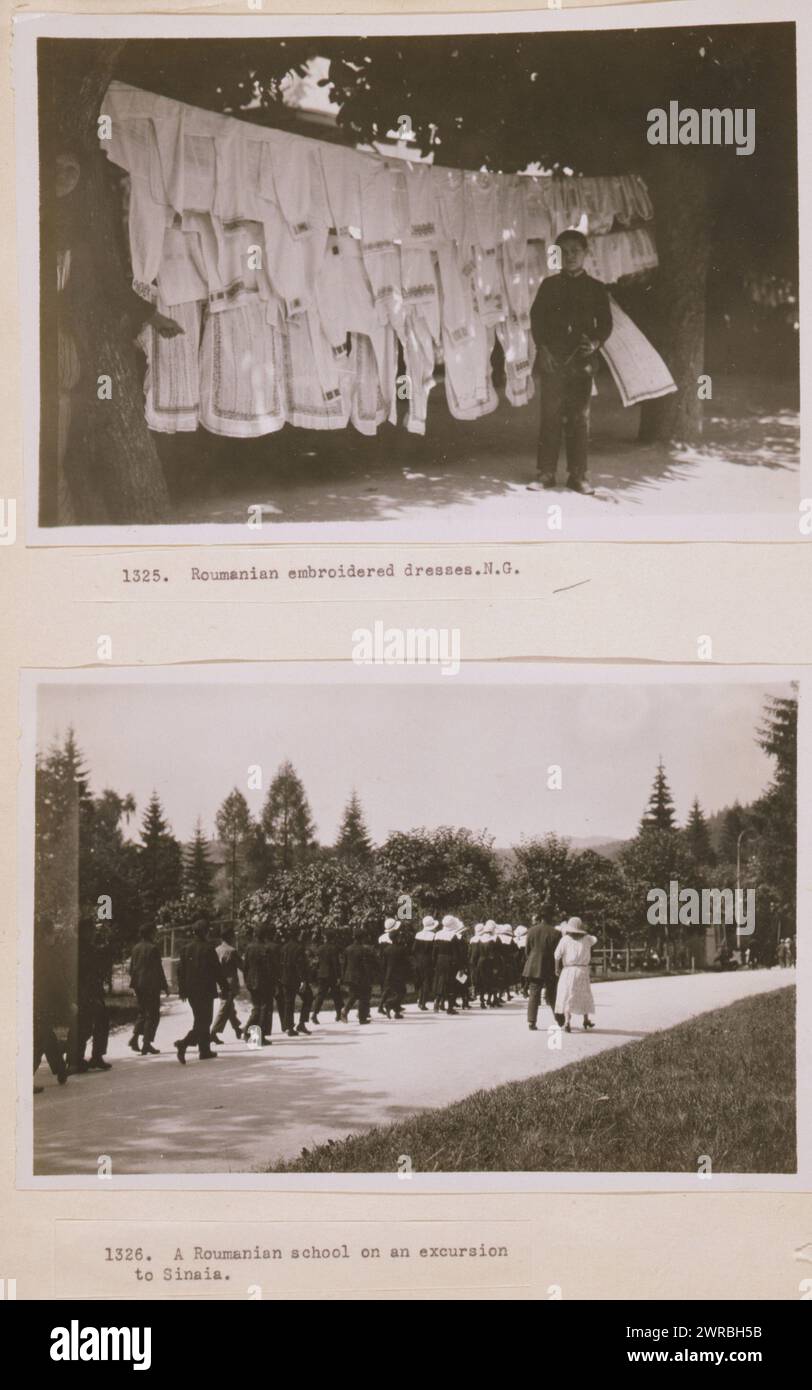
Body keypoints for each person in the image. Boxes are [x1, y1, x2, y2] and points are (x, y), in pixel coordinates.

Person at [528, 229, 612, 494]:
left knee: (579, 418)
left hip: (581, 362)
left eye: (576, 250)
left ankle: (578, 476)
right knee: (550, 416)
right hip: (553, 361)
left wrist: (596, 342)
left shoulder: (597, 289)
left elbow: (607, 324)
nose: (570, 256)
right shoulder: (549, 286)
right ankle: (545, 473)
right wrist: (542, 349)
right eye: (564, 251)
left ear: (586, 253)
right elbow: (536, 320)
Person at [175, 921, 225, 1063]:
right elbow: (217, 971)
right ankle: (183, 1043)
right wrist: (225, 987)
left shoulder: (185, 949)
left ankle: (204, 1050)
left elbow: (180, 971)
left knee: (199, 1019)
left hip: (191, 991)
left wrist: (182, 990)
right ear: (205, 932)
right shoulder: (209, 948)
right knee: (205, 1020)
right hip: (205, 990)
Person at [70, 920, 113, 1072]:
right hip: (86, 992)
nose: (94, 933)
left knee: (94, 1023)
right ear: (84, 931)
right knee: (86, 1025)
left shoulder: (84, 947)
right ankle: (79, 1059)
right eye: (91, 930)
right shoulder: (83, 948)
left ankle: (86, 1057)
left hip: (90, 991)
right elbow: (87, 972)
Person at [33, 922, 69, 1090]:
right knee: (40, 1040)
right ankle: (21, 1081)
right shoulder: (48, 955)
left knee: (45, 1036)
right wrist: (67, 1003)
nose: (55, 936)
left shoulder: (32, 950)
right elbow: (57, 982)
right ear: (44, 935)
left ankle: (61, 1070)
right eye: (52, 933)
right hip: (43, 1003)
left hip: (32, 1002)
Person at [128, 924, 170, 1056]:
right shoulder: (153, 948)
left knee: (142, 1012)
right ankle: (146, 1043)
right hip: (151, 986)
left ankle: (134, 1039)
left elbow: (131, 968)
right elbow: (158, 969)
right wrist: (165, 986)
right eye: (154, 932)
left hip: (138, 985)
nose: (156, 934)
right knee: (152, 1014)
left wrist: (135, 983)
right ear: (150, 933)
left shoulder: (135, 948)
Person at [554, 917, 597, 1033]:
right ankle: (586, 1019)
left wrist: (557, 968)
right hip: (582, 971)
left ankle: (567, 1021)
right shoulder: (587, 939)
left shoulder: (565, 940)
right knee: (584, 994)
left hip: (568, 970)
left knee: (568, 994)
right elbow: (594, 940)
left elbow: (557, 955)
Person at [523, 909, 563, 1031]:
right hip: (549, 966)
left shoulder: (531, 930)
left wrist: (532, 960)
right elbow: (558, 953)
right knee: (552, 994)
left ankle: (531, 1021)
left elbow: (527, 950)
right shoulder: (556, 933)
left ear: (540, 918)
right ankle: (560, 1020)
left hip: (534, 966)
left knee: (534, 994)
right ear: (551, 918)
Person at [210, 925, 243, 1045]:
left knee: (229, 1007)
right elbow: (242, 966)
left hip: (219, 983)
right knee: (225, 1008)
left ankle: (237, 1029)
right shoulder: (232, 951)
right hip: (229, 984)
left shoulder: (216, 950)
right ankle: (212, 1033)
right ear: (230, 937)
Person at [242, 925, 272, 1044]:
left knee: (256, 1008)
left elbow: (245, 967)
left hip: (251, 981)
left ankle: (247, 1032)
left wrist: (246, 980)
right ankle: (258, 1037)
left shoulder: (249, 948)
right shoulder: (265, 948)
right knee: (263, 1008)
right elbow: (268, 968)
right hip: (263, 982)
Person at [340, 928, 376, 1024]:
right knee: (364, 996)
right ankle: (361, 1017)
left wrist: (343, 976)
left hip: (350, 976)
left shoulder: (347, 949)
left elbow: (344, 964)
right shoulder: (364, 950)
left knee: (354, 995)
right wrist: (370, 976)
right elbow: (365, 965)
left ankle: (346, 1012)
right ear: (363, 938)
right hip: (361, 976)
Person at [311, 931, 344, 1023]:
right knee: (336, 995)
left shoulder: (320, 948)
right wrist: (338, 976)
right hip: (332, 974)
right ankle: (338, 1015)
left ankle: (314, 1014)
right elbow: (335, 963)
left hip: (322, 974)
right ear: (332, 938)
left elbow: (317, 962)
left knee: (320, 995)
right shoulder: (334, 948)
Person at [380, 925, 410, 1018]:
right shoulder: (401, 949)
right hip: (399, 973)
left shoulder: (386, 949)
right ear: (397, 938)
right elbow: (405, 962)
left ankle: (397, 1012)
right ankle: (390, 1004)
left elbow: (384, 963)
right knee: (401, 992)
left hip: (389, 973)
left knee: (394, 991)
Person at [432, 916, 459, 1015]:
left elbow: (434, 952)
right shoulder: (453, 935)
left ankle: (437, 1001)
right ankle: (450, 1008)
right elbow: (456, 953)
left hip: (439, 960)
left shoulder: (437, 934)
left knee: (440, 981)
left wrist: (435, 962)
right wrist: (458, 965)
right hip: (449, 961)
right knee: (451, 983)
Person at [413, 916, 438, 1010]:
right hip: (428, 961)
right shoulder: (433, 936)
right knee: (426, 981)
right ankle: (423, 1002)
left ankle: (419, 999)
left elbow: (413, 949)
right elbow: (434, 951)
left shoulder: (418, 934)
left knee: (420, 980)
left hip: (418, 960)